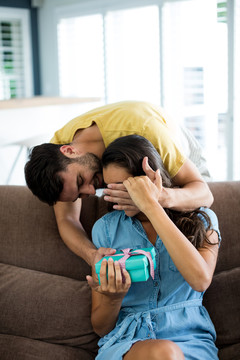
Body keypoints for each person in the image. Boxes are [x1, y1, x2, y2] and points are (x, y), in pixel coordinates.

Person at [24, 101, 213, 267]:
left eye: (81, 180)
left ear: (70, 151)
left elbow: (204, 193)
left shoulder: (148, 132)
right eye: (80, 195)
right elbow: (67, 220)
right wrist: (92, 256)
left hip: (175, 143)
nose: (92, 191)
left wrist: (157, 197)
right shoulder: (54, 162)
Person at [87, 135, 221, 360]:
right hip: (128, 342)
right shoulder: (106, 229)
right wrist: (113, 298)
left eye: (125, 187)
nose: (115, 197)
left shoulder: (204, 219)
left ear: (150, 179)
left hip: (190, 338)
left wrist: (152, 205)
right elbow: (101, 327)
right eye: (110, 189)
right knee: (163, 353)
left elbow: (200, 280)